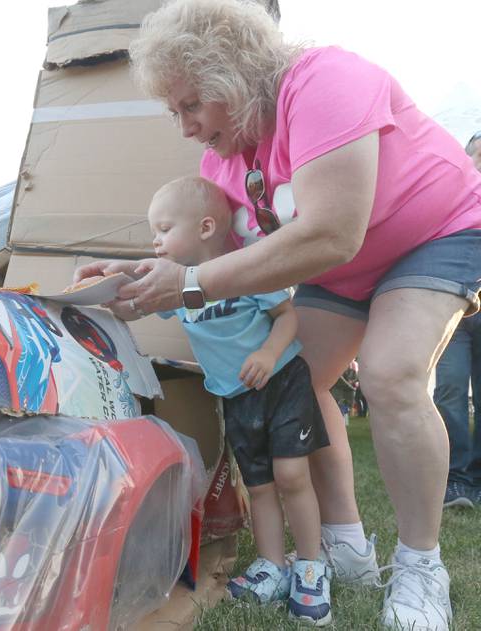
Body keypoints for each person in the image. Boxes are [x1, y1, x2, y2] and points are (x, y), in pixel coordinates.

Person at [73, 1, 481, 628]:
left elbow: (333, 232)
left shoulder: (326, 80)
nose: (184, 127)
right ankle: (345, 540)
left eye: (190, 105)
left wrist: (185, 284)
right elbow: (214, 256)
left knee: (392, 370)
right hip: (342, 268)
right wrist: (136, 275)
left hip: (438, 233)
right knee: (294, 380)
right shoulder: (223, 162)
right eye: (173, 110)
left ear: (230, 77)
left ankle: (422, 563)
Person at [141, 176, 332, 623]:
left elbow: (286, 316)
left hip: (281, 382)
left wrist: (267, 353)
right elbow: (140, 299)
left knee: (291, 475)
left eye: (164, 229)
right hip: (236, 397)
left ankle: (310, 566)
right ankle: (272, 565)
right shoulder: (180, 290)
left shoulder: (244, 269)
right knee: (260, 485)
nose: (156, 240)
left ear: (206, 227)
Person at [433, 132, 481, 509]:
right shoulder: (450, 191)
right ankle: (456, 479)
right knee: (449, 390)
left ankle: (476, 478)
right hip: (453, 305)